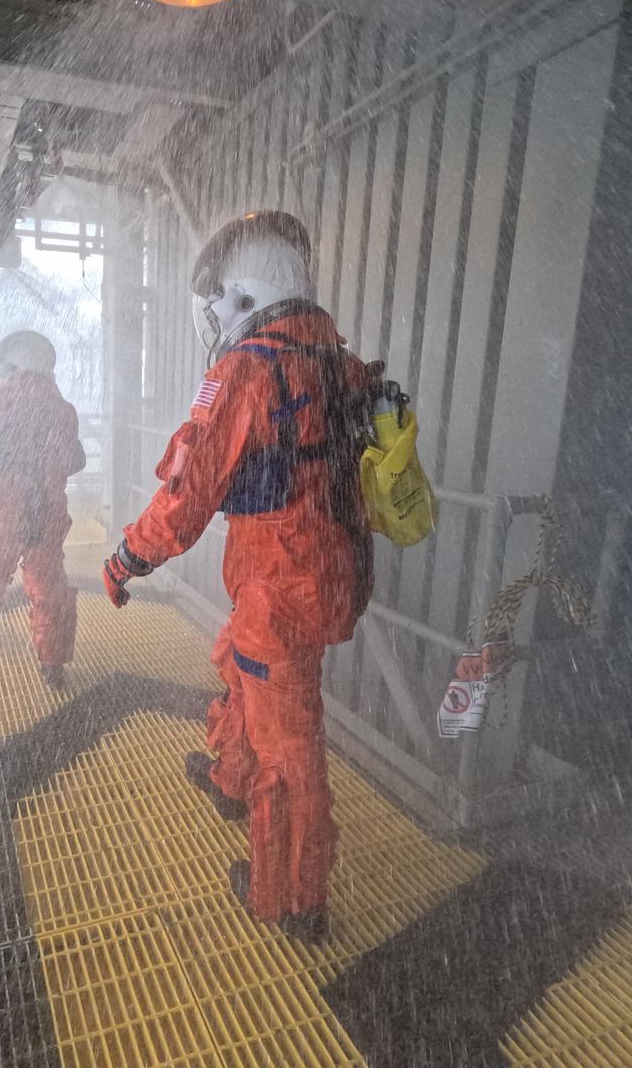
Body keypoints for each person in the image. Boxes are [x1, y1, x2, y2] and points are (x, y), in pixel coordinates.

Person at [101, 211, 381, 943]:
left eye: (221, 297)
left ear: (248, 296)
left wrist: (129, 557)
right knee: (239, 666)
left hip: (279, 583)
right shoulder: (338, 362)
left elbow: (187, 492)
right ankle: (230, 780)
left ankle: (292, 898)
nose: (216, 313)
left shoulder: (245, 371)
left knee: (290, 747)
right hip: (325, 571)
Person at [0, 330, 86, 688]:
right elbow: (73, 460)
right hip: (48, 511)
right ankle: (52, 662)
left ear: (10, 367)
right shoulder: (64, 410)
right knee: (48, 581)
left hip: (2, 509)